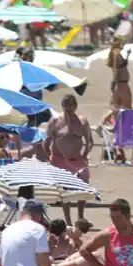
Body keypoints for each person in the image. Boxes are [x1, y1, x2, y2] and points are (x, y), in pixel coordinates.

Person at [46, 94, 93, 225]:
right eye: (66, 106)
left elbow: (89, 141)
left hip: (77, 159)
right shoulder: (56, 121)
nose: (69, 108)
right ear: (62, 106)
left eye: (71, 106)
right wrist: (50, 159)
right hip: (59, 159)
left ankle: (80, 218)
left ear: (75, 106)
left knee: (83, 187)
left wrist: (84, 155)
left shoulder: (82, 121)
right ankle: (68, 221)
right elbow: (46, 141)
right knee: (65, 191)